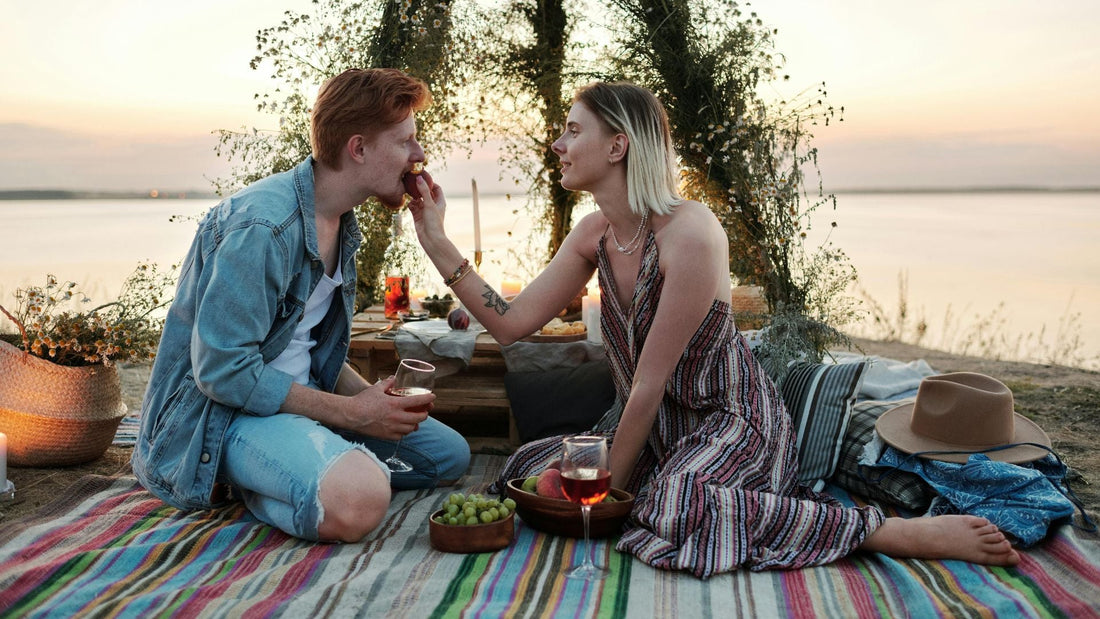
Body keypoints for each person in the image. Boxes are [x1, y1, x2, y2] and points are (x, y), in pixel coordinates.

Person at [406, 81, 1020, 577]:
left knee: (672, 503)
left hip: (732, 421)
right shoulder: (593, 234)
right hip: (655, 428)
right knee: (528, 465)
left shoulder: (690, 234)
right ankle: (656, 488)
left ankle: (886, 533)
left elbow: (647, 386)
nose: (557, 143)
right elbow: (509, 323)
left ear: (618, 146)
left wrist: (608, 494)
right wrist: (435, 237)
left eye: (572, 129)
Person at [133, 68, 470, 543]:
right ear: (358, 148)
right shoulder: (263, 229)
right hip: (225, 418)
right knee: (361, 500)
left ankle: (294, 471)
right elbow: (222, 373)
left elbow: (303, 344)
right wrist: (352, 415)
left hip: (299, 403)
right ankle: (245, 480)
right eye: (405, 141)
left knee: (447, 456)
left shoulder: (340, 222)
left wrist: (373, 401)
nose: (419, 155)